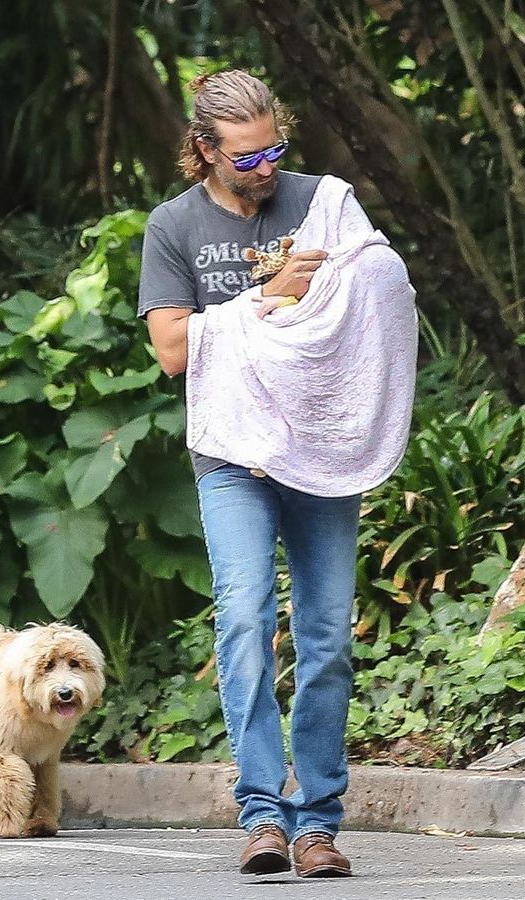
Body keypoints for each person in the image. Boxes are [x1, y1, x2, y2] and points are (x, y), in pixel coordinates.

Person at [138, 70, 417, 878]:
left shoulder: (326, 199)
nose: (266, 169)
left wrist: (324, 294)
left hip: (323, 448)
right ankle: (262, 812)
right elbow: (171, 352)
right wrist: (269, 292)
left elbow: (377, 288)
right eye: (247, 157)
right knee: (245, 617)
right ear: (204, 151)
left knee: (328, 637)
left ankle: (318, 824)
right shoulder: (174, 227)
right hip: (231, 451)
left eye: (275, 150)